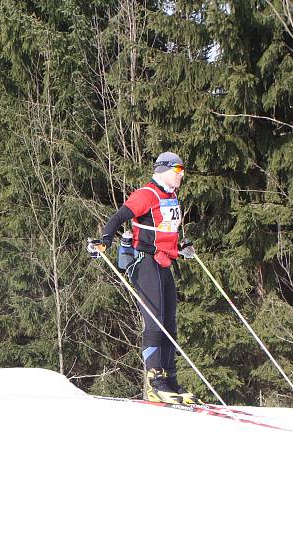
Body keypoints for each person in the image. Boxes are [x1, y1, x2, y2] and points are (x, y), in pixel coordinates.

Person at [89, 152, 199, 405]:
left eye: (182, 171)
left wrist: (181, 247)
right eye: (177, 170)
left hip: (164, 261)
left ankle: (170, 379)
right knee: (156, 321)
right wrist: (105, 240)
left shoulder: (170, 196)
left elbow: (165, 229)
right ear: (162, 170)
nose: (181, 175)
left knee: (169, 322)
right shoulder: (146, 194)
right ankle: (155, 380)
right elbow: (119, 217)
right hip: (145, 263)